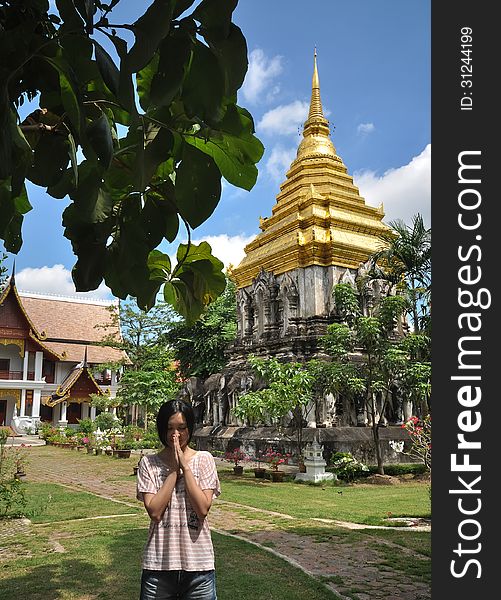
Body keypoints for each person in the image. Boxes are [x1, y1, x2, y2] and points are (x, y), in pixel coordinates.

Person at [137, 399, 221, 600]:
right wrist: (174, 471)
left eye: (182, 428)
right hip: (159, 567)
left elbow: (202, 509)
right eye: (170, 429)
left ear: (190, 428)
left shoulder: (204, 460)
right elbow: (155, 512)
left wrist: (186, 468)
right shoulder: (149, 464)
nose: (176, 435)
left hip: (199, 567)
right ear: (161, 430)